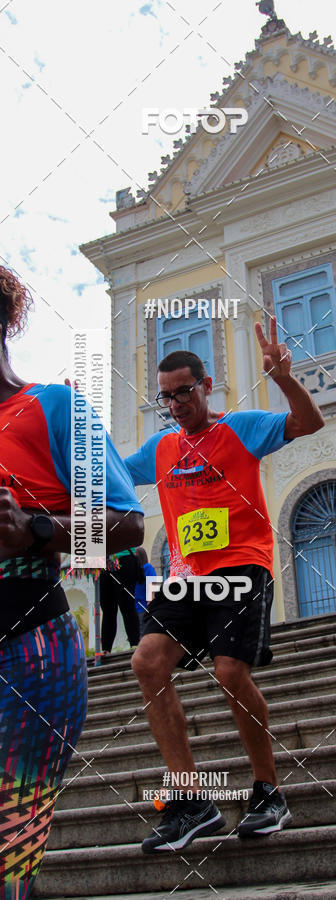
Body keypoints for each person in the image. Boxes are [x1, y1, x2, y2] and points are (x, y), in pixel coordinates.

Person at [126, 316, 324, 852]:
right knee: (146, 662)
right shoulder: (160, 449)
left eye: (184, 392)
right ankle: (191, 802)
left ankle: (268, 793)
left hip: (242, 565)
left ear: (206, 386)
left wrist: (284, 377)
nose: (175, 404)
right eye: (166, 397)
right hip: (185, 576)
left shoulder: (241, 427)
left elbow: (309, 423)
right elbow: (106, 474)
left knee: (230, 671)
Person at [0, 265, 144, 899]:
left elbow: (127, 527)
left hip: (30, 653)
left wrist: (32, 528)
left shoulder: (51, 407)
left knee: (8, 853)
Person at [99, 547, 141, 654]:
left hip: (124, 557)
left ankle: (135, 643)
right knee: (107, 608)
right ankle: (106, 648)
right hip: (104, 561)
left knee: (127, 605)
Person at [133, 546, 157, 631]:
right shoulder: (135, 570)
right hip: (135, 607)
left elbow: (153, 583)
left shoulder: (147, 567)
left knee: (143, 631)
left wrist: (151, 601)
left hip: (143, 606)